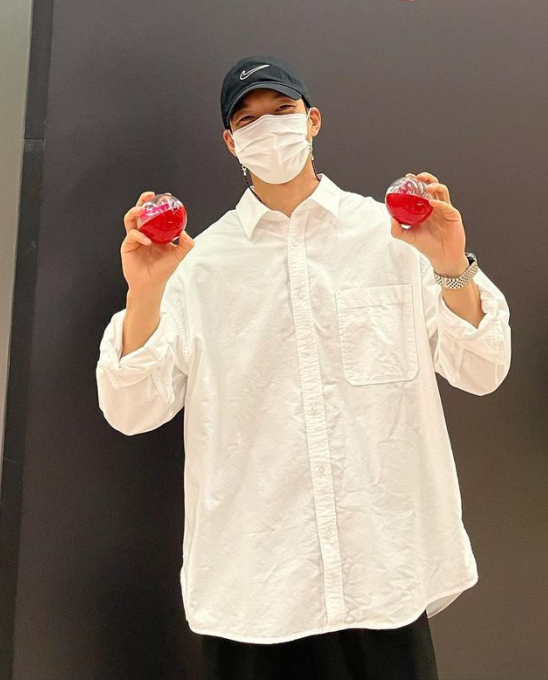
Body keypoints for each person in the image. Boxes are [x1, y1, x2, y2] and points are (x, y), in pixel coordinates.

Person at [96, 56, 512, 680]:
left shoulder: (394, 237)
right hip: (257, 593)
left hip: (384, 580)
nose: (268, 127)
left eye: (282, 110)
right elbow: (130, 409)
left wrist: (452, 266)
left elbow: (483, 367)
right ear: (230, 142)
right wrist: (144, 295)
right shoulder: (199, 264)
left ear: (313, 120)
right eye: (248, 119)